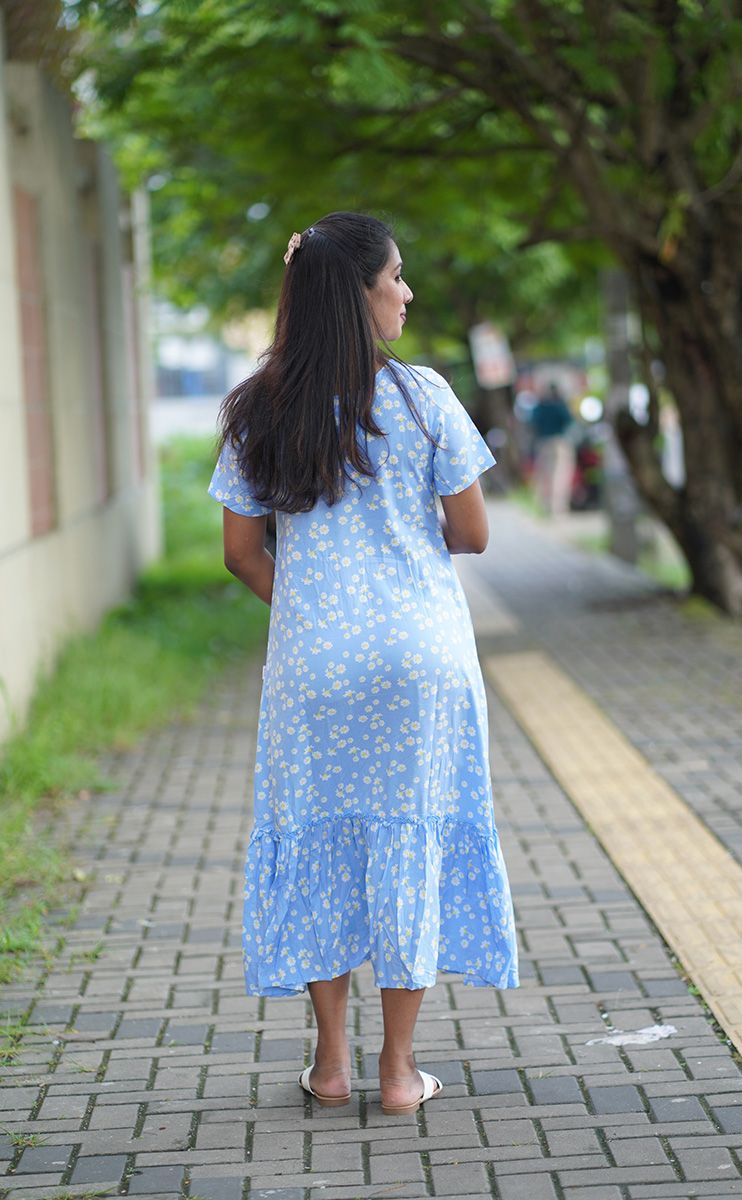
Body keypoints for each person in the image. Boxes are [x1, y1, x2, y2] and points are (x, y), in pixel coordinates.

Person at [208, 212, 519, 1116]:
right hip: (423, 662)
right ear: (360, 292)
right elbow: (473, 533)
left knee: (321, 839)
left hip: (314, 666)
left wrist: (310, 612)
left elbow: (238, 551)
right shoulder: (423, 397)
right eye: (397, 276)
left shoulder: (257, 405)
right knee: (410, 834)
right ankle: (399, 1073)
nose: (407, 292)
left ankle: (332, 1065)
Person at [530, 381, 575, 515]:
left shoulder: (540, 406)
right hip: (558, 442)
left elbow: (533, 422)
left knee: (544, 475)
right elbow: (569, 420)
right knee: (560, 475)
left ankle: (544, 506)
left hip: (542, 442)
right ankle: (557, 509)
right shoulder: (560, 405)